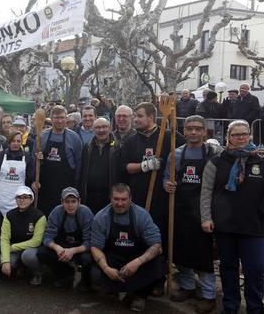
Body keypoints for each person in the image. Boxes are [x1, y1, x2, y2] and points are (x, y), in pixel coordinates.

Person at [200, 120, 264, 314]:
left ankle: (255, 307)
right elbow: (206, 192)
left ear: (249, 136)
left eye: (244, 134)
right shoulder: (215, 162)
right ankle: (230, 306)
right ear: (228, 138)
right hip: (225, 226)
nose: (240, 138)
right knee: (228, 268)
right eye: (235, 135)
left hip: (253, 225)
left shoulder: (261, 162)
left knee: (256, 269)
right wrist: (206, 218)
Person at [163, 116, 220, 313]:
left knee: (203, 256)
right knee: (181, 251)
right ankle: (187, 287)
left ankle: (208, 295)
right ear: (184, 131)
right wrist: (167, 184)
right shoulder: (176, 155)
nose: (193, 132)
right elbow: (167, 178)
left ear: (205, 131)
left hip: (203, 212)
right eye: (189, 129)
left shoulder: (214, 153)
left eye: (197, 129)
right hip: (181, 210)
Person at [120, 101, 173, 295]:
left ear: (152, 117)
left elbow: (187, 151)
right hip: (139, 197)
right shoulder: (132, 140)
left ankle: (159, 278)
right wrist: (145, 166)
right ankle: (139, 275)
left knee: (159, 237)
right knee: (140, 236)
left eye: (139, 116)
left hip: (161, 197)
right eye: (135, 116)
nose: (136, 119)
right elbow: (124, 166)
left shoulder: (166, 137)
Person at [90, 184, 164, 312]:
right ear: (110, 198)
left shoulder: (142, 215)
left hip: (136, 257)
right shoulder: (101, 217)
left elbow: (157, 245)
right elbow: (95, 247)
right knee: (95, 273)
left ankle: (139, 296)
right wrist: (107, 269)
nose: (120, 203)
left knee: (158, 263)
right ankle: (114, 289)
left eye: (123, 199)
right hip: (114, 257)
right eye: (116, 199)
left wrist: (138, 262)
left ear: (130, 198)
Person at [37, 187, 94, 292]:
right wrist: (57, 248)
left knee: (87, 258)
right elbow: (47, 238)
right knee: (42, 253)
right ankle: (65, 275)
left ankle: (86, 281)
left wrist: (73, 251)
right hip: (62, 246)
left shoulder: (86, 213)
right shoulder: (56, 212)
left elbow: (90, 242)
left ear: (79, 201)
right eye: (67, 202)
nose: (70, 205)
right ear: (62, 202)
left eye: (73, 201)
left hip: (79, 247)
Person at [34, 105, 83, 214]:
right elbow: (34, 161)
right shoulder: (42, 136)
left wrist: (77, 184)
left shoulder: (74, 138)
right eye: (56, 118)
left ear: (66, 119)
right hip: (46, 187)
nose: (59, 121)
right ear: (51, 119)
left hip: (66, 186)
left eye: (62, 117)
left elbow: (79, 163)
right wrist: (34, 179)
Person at [0, 186, 47, 287]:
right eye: (19, 197)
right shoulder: (9, 215)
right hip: (15, 249)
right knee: (1, 260)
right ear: (15, 199)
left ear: (31, 199)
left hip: (31, 249)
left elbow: (36, 241)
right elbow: (4, 239)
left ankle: (37, 273)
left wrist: (12, 247)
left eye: (25, 197)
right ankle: (19, 267)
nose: (22, 200)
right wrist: (5, 261)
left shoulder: (39, 216)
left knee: (27, 256)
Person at [0, 131, 35, 215]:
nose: (15, 143)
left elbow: (31, 177)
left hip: (19, 196)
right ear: (9, 142)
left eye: (18, 141)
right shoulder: (0, 156)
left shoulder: (28, 157)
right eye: (13, 141)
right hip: (1, 196)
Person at [80, 118, 119, 212]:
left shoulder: (117, 147)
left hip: (109, 196)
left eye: (104, 127)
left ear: (110, 128)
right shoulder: (87, 147)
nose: (101, 130)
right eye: (97, 127)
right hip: (89, 197)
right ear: (93, 130)